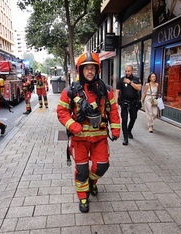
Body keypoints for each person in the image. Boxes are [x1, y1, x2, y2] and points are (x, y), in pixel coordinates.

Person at [57, 51, 120, 213]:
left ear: (97, 70)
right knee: (82, 170)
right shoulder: (70, 91)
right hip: (79, 139)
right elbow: (61, 112)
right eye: (87, 68)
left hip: (99, 137)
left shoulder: (105, 89)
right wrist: (73, 126)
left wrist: (115, 127)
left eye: (93, 68)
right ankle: (83, 196)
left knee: (102, 166)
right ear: (81, 70)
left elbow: (112, 109)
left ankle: (92, 183)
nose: (90, 71)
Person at [115, 65, 142, 145]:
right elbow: (117, 91)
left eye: (128, 71)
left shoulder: (136, 79)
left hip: (133, 103)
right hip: (124, 103)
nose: (127, 72)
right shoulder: (121, 80)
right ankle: (125, 138)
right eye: (126, 71)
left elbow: (139, 88)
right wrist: (116, 102)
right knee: (124, 120)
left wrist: (130, 83)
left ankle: (129, 130)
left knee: (133, 118)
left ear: (132, 71)